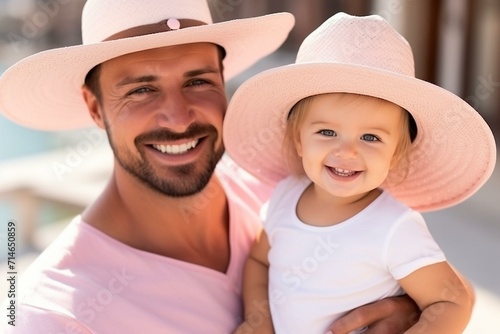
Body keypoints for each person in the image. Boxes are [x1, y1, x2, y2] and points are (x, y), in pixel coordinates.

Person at [0, 1, 448, 333]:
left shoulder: (282, 193)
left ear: (225, 84)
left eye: (198, 81)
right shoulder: (54, 315)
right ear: (95, 108)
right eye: (141, 90)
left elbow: (426, 281)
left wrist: (407, 308)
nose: (178, 118)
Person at [224, 12, 497, 334]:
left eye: (371, 138)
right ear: (298, 141)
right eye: (326, 132)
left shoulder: (394, 226)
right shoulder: (286, 194)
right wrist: (259, 320)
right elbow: (260, 262)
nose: (347, 151)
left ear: (395, 155)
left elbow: (450, 302)